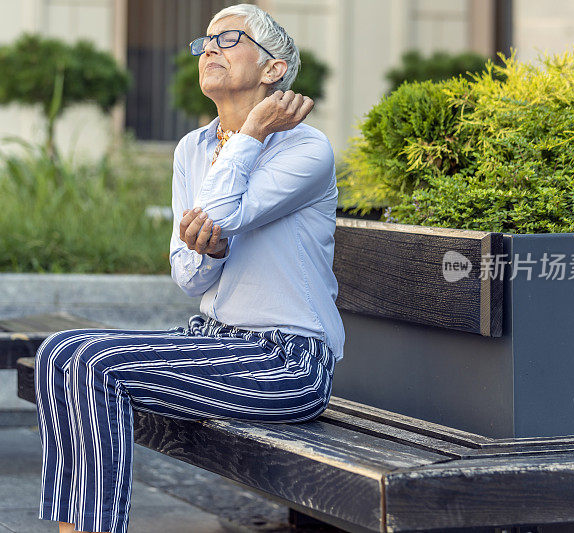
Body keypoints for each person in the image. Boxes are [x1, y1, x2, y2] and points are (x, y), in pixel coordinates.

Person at [34, 4, 344, 533]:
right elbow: (189, 275)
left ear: (273, 69)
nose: (209, 51)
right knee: (58, 352)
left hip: (287, 361)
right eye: (205, 42)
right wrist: (213, 253)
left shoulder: (307, 150)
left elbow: (222, 214)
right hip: (213, 338)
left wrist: (249, 134)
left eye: (229, 40)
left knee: (91, 362)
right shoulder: (192, 148)